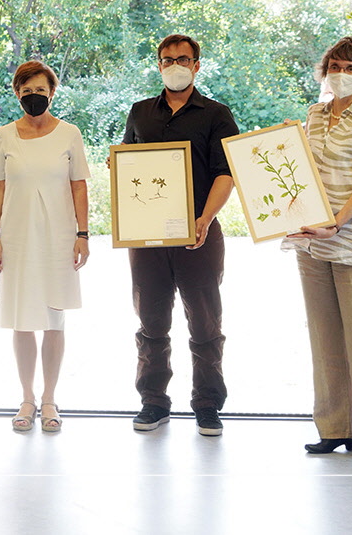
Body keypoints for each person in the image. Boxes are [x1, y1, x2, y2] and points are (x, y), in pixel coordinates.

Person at [124, 34, 238, 437]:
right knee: (151, 322)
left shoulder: (217, 114)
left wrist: (205, 218)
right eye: (168, 59)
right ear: (158, 65)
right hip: (147, 240)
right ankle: (153, 402)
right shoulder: (139, 113)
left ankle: (207, 404)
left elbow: (226, 173)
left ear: (197, 65)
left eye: (184, 59)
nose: (176, 65)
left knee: (205, 323)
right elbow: (127, 168)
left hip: (199, 234)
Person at [286, 37, 352, 465]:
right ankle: (335, 430)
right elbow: (298, 173)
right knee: (325, 340)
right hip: (312, 243)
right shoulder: (313, 115)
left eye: (350, 67)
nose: (341, 73)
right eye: (335, 65)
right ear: (324, 70)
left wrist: (337, 222)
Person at [0, 60, 90, 433]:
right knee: (22, 319)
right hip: (16, 234)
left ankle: (49, 399)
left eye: (40, 90)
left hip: (59, 236)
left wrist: (83, 234)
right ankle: (27, 398)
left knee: (54, 319)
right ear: (17, 93)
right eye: (26, 91)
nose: (34, 97)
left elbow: (79, 184)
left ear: (52, 92)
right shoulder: (4, 135)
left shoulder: (69, 134)